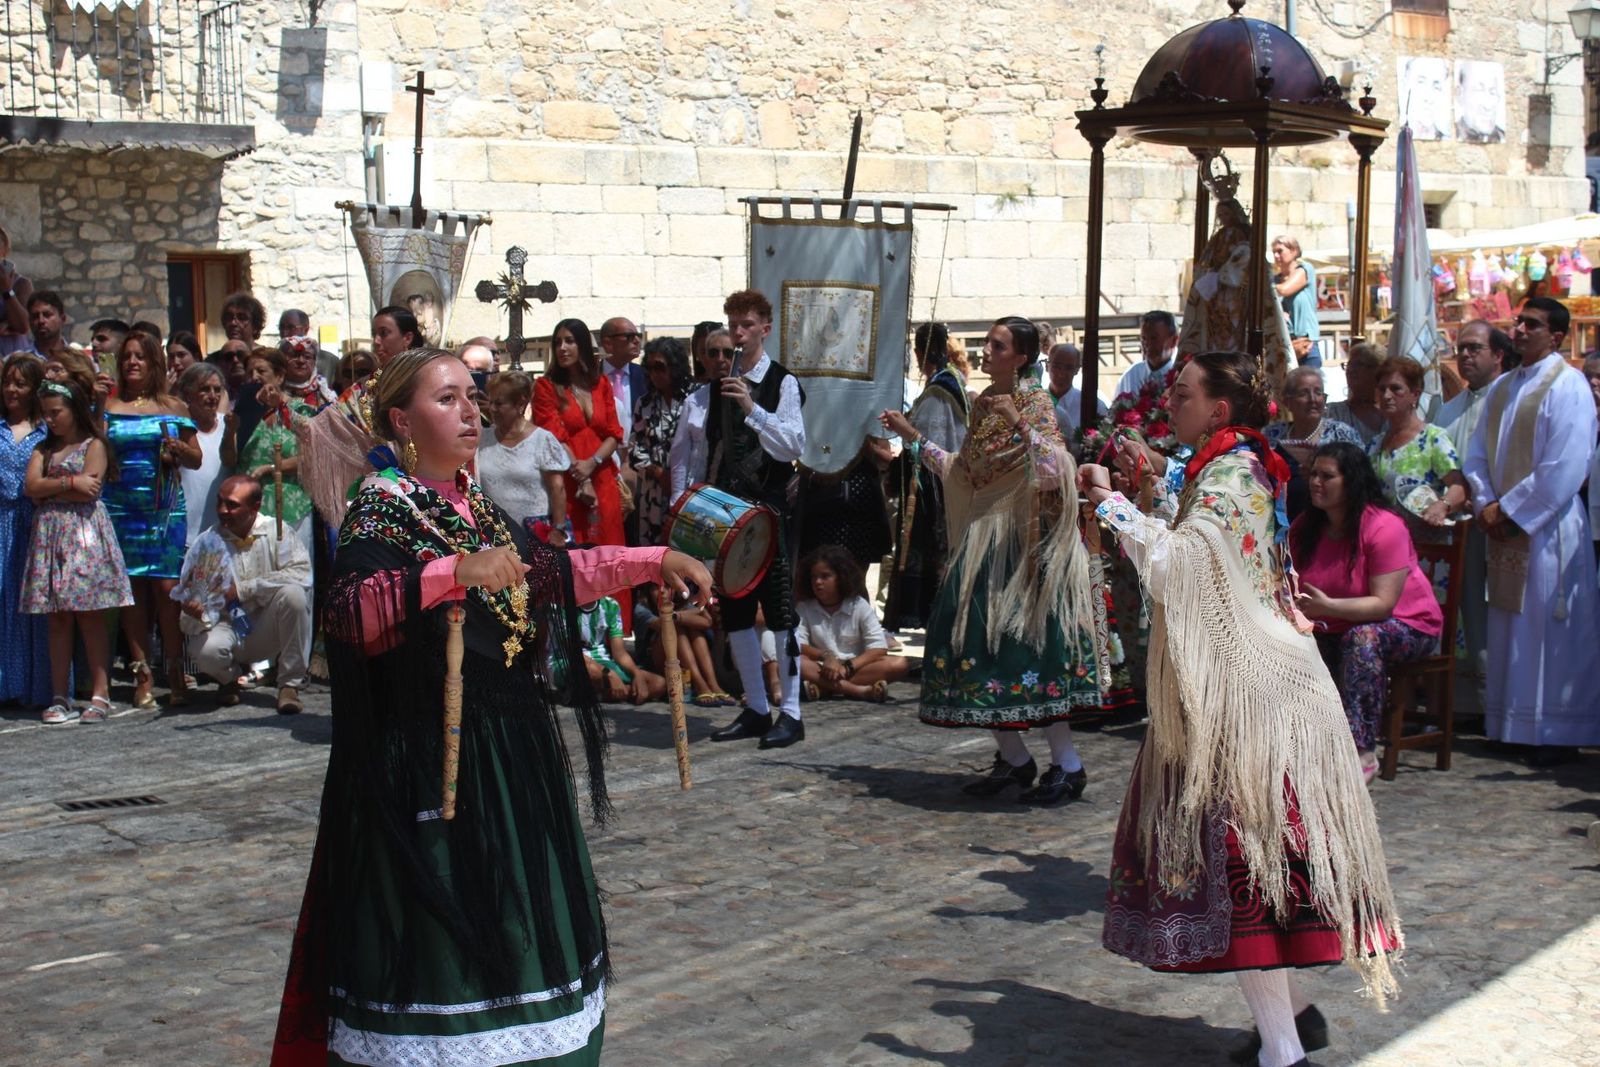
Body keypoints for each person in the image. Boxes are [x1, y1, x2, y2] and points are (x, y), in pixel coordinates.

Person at [269, 347, 713, 1066]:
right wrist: (449, 574)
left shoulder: (473, 503)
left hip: (504, 766)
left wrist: (652, 559)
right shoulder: (380, 510)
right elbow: (350, 616)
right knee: (449, 947)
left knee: (519, 936)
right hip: (427, 767)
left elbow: (546, 572)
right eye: (446, 399)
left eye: (471, 395)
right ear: (400, 421)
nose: (470, 411)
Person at [1080, 350, 1401, 1067]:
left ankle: (1284, 1053)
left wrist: (1108, 502)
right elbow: (1196, 517)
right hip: (1248, 693)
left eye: (1184, 393)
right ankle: (1295, 1019)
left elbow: (1176, 567)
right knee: (1255, 879)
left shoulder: (1231, 476)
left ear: (1219, 410)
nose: (1171, 402)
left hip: (1244, 704)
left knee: (1242, 876)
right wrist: (1142, 476)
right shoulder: (1239, 465)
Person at [881, 316, 1101, 803]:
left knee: (1031, 652)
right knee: (969, 646)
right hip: (984, 542)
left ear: (1021, 357)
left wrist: (1019, 421)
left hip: (1023, 544)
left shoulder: (1035, 402)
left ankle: (1068, 764)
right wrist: (911, 435)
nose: (985, 350)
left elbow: (1054, 469)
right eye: (986, 342)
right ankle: (1016, 759)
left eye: (997, 345)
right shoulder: (982, 405)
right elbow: (964, 473)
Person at [1463, 296, 1600, 765]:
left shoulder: (1570, 387)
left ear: (1556, 336)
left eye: (1532, 324)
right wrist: (1485, 503)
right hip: (1506, 524)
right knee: (1509, 626)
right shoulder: (1502, 388)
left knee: (1547, 629)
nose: (1519, 330)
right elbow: (1476, 455)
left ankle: (1555, 730)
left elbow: (1566, 464)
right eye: (1519, 322)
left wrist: (1511, 511)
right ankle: (1509, 725)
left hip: (1549, 527)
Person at [695, 290, 809, 749]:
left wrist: (751, 408)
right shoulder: (719, 385)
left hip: (772, 512)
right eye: (733, 324)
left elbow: (793, 446)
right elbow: (711, 451)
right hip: (731, 513)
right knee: (737, 613)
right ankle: (757, 709)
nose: (738, 334)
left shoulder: (783, 383)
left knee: (780, 611)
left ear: (765, 327)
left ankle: (793, 714)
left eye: (746, 325)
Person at [1292, 443, 1444, 782]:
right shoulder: (1306, 527)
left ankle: (1361, 749)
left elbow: (1383, 604)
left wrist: (1327, 607)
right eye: (1313, 474)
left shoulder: (1384, 527)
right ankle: (1303, 744)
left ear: (1352, 481)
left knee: (1361, 638)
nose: (1316, 482)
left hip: (1406, 625)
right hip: (1332, 622)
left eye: (1327, 476)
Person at [20, 379, 133, 724]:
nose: (50, 420)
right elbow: (31, 487)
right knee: (57, 615)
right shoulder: (42, 450)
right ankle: (59, 695)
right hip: (51, 535)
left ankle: (100, 692)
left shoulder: (93, 444)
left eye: (56, 412)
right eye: (45, 414)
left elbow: (91, 490)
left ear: (74, 410)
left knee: (89, 613)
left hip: (83, 535)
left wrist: (51, 491)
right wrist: (69, 483)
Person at [103, 330, 202, 708]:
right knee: (131, 591)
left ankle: (175, 667)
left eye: (139, 356)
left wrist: (178, 448)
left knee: (165, 590)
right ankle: (141, 671)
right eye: (126, 356)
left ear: (153, 363)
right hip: (121, 508)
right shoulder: (109, 406)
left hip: (164, 507)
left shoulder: (174, 407)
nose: (131, 362)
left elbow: (196, 459)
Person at [261, 307, 422, 527]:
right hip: (380, 494)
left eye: (384, 333)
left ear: (407, 337)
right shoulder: (363, 389)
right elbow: (320, 429)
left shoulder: (429, 378)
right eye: (374, 333)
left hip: (428, 483)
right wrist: (282, 405)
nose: (376, 341)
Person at [1432, 320, 1516, 709]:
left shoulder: (1515, 402)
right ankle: (1468, 703)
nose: (1464, 355)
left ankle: (1504, 702)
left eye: (1474, 348)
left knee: (1504, 611)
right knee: (1467, 612)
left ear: (1498, 354)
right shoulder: (1447, 412)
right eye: (1460, 348)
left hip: (1505, 525)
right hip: (1460, 530)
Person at [174, 475, 312, 713]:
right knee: (203, 650)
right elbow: (190, 614)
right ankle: (229, 680)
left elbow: (302, 575)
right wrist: (195, 613)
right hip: (229, 627)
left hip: (269, 626)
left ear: (255, 506)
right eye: (220, 502)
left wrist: (245, 588)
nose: (222, 510)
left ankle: (289, 685)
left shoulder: (277, 531)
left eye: (232, 504)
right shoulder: (207, 543)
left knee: (294, 596)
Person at [534, 319, 629, 625]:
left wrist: (593, 465)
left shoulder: (600, 384)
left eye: (570, 341)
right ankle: (581, 636)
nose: (562, 348)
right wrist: (582, 475)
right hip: (569, 484)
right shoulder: (546, 387)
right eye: (558, 342)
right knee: (577, 558)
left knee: (611, 554)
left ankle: (616, 630)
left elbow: (614, 433)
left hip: (602, 481)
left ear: (583, 346)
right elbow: (554, 435)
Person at [884, 323, 971, 633]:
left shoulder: (940, 390)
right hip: (943, 482)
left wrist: (903, 432)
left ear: (920, 353)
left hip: (935, 489)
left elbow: (928, 442)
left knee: (934, 565)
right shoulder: (952, 383)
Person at [1178, 199, 1295, 383]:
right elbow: (1204, 262)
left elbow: (1247, 260)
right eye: (1221, 215)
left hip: (1238, 297)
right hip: (1216, 299)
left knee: (1238, 338)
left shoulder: (1244, 235)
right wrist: (1208, 276)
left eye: (1227, 214)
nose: (1224, 218)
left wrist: (1223, 275)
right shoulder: (1217, 238)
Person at [1367, 355, 1469, 536]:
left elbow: (1459, 488)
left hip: (1425, 547)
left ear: (1415, 394)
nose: (1386, 395)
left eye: (1395, 388)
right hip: (1383, 543)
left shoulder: (1433, 438)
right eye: (1382, 389)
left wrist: (1442, 505)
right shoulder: (1375, 444)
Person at [795, 545, 907, 703]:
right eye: (814, 577)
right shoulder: (804, 607)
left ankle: (825, 688)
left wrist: (847, 667)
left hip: (855, 668)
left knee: (899, 664)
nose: (818, 582)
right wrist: (827, 657)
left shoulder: (859, 605)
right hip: (820, 667)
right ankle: (860, 691)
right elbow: (798, 645)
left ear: (840, 577)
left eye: (825, 576)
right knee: (793, 661)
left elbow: (878, 649)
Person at [1, 354, 50, 708]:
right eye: (7, 382)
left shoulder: (47, 432)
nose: (11, 390)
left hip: (32, 524)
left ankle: (34, 685)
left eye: (20, 383)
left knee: (30, 607)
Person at [477, 369, 571, 544]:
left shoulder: (542, 440)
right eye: (491, 402)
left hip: (534, 537)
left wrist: (558, 530)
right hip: (494, 536)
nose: (492, 409)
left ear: (520, 403)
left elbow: (557, 489)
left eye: (499, 403)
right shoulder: (482, 439)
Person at [239, 347, 315, 554]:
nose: (254, 377)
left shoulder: (300, 410)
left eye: (261, 372)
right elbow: (231, 457)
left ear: (280, 376)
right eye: (249, 373)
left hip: (292, 511)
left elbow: (308, 458)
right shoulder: (244, 412)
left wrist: (271, 468)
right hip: (252, 513)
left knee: (292, 579)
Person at [1266, 366, 1365, 520]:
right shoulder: (1272, 435)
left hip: (1331, 524)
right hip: (1281, 525)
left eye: (1318, 393)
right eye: (1303, 393)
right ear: (1287, 401)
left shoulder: (1342, 435)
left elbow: (1361, 480)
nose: (1313, 399)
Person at [629, 336, 690, 547]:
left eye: (660, 367)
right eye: (651, 368)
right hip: (653, 493)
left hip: (687, 489)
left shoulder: (693, 400)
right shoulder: (644, 403)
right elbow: (635, 448)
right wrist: (657, 473)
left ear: (675, 366)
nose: (655, 374)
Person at [667, 327, 735, 503]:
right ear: (704, 358)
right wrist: (677, 499)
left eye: (728, 353)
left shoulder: (751, 399)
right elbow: (680, 456)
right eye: (713, 353)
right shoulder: (694, 401)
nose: (720, 359)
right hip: (701, 495)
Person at [176, 362, 237, 547]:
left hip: (222, 534)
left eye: (217, 390)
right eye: (204, 389)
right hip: (184, 535)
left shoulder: (229, 425)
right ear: (188, 394)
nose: (212, 396)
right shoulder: (178, 427)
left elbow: (232, 461)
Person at [576, 593, 667, 704]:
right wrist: (609, 674)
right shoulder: (562, 606)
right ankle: (601, 691)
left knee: (658, 684)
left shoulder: (611, 605)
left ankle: (600, 695)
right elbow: (571, 654)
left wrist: (636, 673)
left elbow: (619, 653)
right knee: (593, 672)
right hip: (570, 661)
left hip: (602, 661)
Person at [598, 317, 647, 450]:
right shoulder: (590, 378)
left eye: (638, 336)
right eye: (630, 336)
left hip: (637, 460)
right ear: (608, 343)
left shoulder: (646, 377)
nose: (637, 341)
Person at [1272, 235, 1321, 367]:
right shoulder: (1274, 280)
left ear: (1293, 251)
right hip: (1284, 344)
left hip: (1306, 344)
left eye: (1280, 251)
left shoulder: (1305, 269)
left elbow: (1285, 289)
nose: (1276, 256)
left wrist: (1265, 286)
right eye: (1274, 252)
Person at [1325, 340, 1385, 439]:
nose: (1351, 370)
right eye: (1349, 364)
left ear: (1377, 370)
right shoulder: (1332, 413)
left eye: (1358, 365)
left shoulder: (1392, 413)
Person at [1047, 342, 1107, 439]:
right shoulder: (1034, 402)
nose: (1061, 373)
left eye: (1068, 368)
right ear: (1047, 366)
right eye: (1056, 366)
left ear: (1077, 370)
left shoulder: (1094, 406)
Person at [1117, 310, 1178, 397]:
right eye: (1143, 338)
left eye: (1154, 338)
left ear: (1174, 341)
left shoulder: (1182, 374)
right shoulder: (1131, 376)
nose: (1147, 343)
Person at [0, 226, 36, 357]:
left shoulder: (21, 284)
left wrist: (7, 290)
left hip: (12, 357)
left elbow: (23, 325)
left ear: (5, 252)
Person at [278, 308, 339, 383]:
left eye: (291, 328)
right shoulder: (274, 359)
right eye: (281, 327)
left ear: (306, 329)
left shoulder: (328, 361)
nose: (284, 333)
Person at [27, 291, 71, 361]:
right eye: (35, 316)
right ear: (29, 321)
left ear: (62, 319)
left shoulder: (79, 361)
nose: (41, 321)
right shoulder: (18, 362)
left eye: (47, 315)